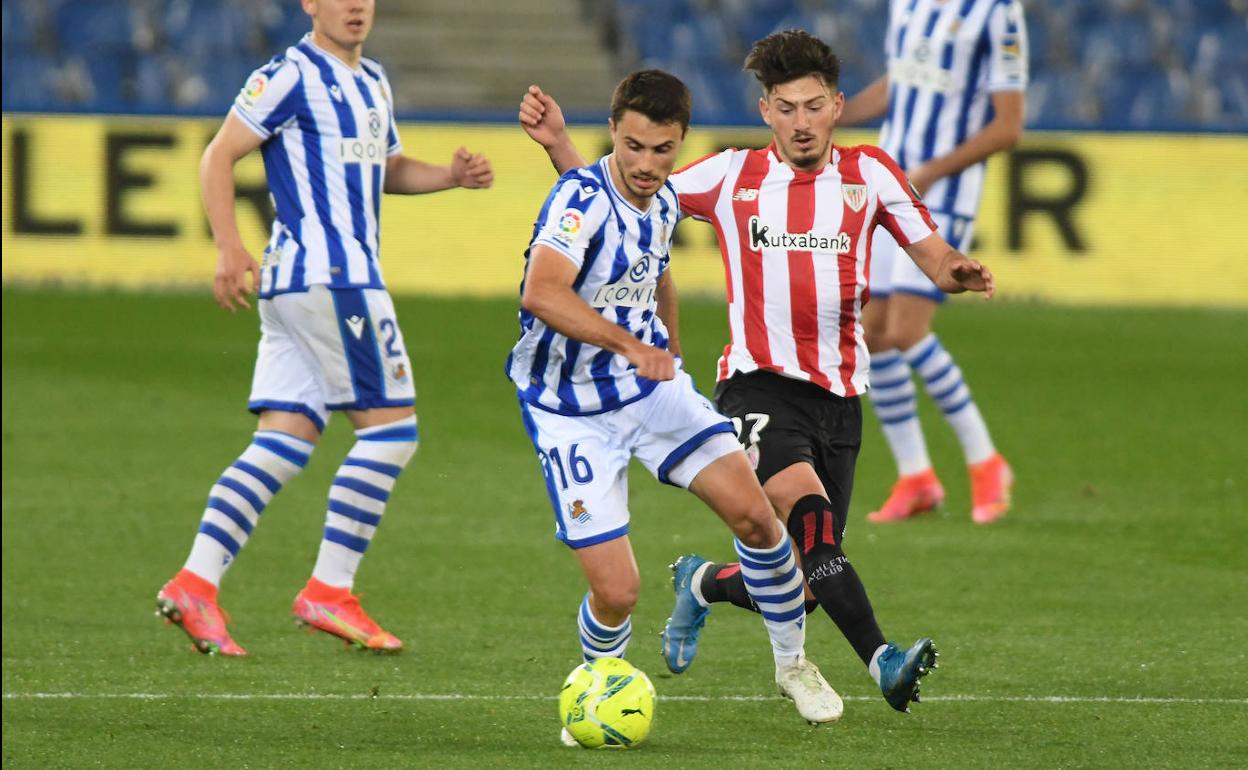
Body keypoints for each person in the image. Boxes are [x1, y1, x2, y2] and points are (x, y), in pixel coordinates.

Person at [520, 29, 996, 713]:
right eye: (784, 107)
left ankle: (704, 583)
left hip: (839, 397)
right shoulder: (729, 174)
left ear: (836, 106)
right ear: (766, 111)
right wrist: (562, 148)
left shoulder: (873, 175)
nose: (800, 122)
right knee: (813, 527)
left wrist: (959, 272)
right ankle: (882, 660)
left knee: (807, 575)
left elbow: (933, 256)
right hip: (757, 385)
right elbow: (629, 196)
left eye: (812, 106)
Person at [155, 0, 493, 656]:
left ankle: (196, 582)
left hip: (297, 289)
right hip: (332, 279)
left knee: (282, 443)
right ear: (310, 3)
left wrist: (449, 176)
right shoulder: (288, 73)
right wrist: (229, 246)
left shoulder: (374, 81)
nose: (355, 6)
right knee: (392, 432)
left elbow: (387, 169)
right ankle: (329, 590)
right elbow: (218, 156)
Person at [510, 69, 844, 734]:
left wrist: (669, 355)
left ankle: (793, 666)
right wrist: (628, 345)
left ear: (679, 144)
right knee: (618, 592)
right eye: (632, 146)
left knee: (755, 516)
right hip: (569, 408)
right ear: (613, 132)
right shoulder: (574, 199)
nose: (645, 164)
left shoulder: (665, 203)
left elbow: (653, 265)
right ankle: (594, 691)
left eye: (661, 150)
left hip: (652, 391)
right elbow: (542, 293)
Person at [839, 0, 1028, 524]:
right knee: (871, 332)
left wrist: (930, 171)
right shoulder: (908, 4)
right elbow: (900, 84)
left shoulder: (996, 12)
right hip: (889, 186)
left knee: (905, 328)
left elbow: (1008, 126)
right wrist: (836, 114)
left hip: (943, 192)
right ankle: (916, 476)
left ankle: (986, 461)